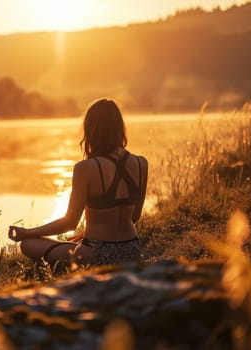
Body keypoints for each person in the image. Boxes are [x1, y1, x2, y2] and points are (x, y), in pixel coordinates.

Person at [8, 98, 148, 269]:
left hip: (94, 254)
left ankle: (59, 268)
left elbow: (69, 223)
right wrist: (84, 234)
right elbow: (134, 216)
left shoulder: (85, 168)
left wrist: (27, 232)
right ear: (120, 127)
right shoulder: (141, 163)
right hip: (132, 251)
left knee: (28, 244)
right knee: (69, 244)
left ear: (91, 129)